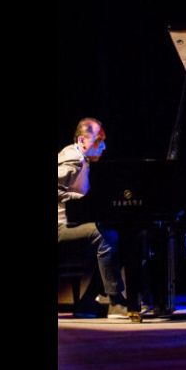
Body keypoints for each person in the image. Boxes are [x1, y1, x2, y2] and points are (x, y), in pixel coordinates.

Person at [58, 117, 128, 318]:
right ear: (82, 141)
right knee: (104, 235)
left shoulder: (82, 159)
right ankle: (115, 302)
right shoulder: (73, 159)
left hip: (70, 224)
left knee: (118, 239)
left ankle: (87, 303)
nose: (104, 147)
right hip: (60, 226)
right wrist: (82, 200)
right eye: (99, 141)